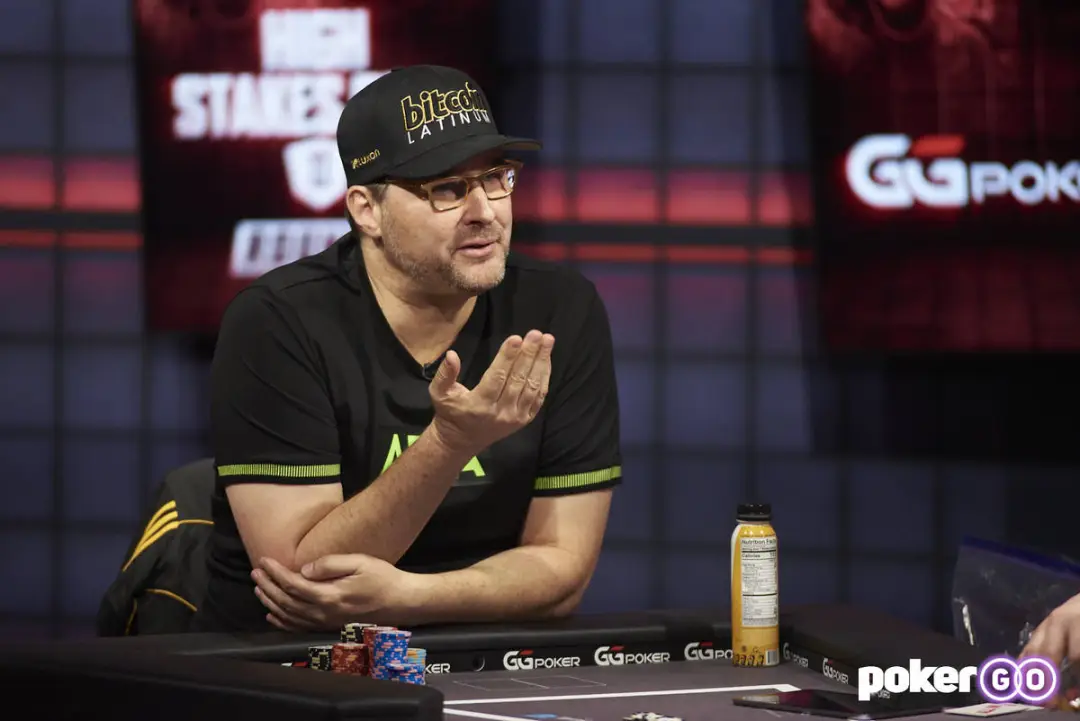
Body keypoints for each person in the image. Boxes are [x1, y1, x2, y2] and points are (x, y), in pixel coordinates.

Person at [192, 65, 623, 633]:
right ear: (366, 209)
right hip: (286, 662)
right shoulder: (278, 322)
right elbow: (305, 580)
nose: (485, 211)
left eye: (496, 178)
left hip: (484, 658)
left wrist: (411, 598)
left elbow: (563, 568)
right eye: (447, 188)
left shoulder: (559, 309)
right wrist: (449, 443)